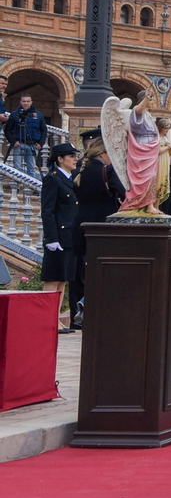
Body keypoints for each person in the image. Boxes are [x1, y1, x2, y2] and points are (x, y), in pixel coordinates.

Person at [70, 127, 124, 330]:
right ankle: (90, 310)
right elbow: (123, 194)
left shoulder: (80, 170)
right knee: (103, 272)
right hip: (103, 227)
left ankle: (78, 314)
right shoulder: (107, 170)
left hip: (81, 226)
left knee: (82, 273)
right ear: (102, 154)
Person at [40, 142, 79, 333]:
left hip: (69, 236)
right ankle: (47, 318)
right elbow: (48, 211)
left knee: (63, 279)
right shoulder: (53, 179)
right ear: (60, 159)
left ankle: (55, 318)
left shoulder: (70, 179)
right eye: (71, 156)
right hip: (58, 236)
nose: (75, 159)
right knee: (53, 278)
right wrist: (51, 238)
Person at [4, 93, 45, 177]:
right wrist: (13, 141)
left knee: (32, 168)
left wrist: (41, 143)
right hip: (19, 144)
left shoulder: (38, 115)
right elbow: (7, 130)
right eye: (24, 101)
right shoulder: (15, 114)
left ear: (31, 102)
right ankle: (17, 188)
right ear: (20, 102)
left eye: (28, 101)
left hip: (33, 144)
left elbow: (44, 130)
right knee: (17, 169)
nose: (26, 103)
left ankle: (30, 189)